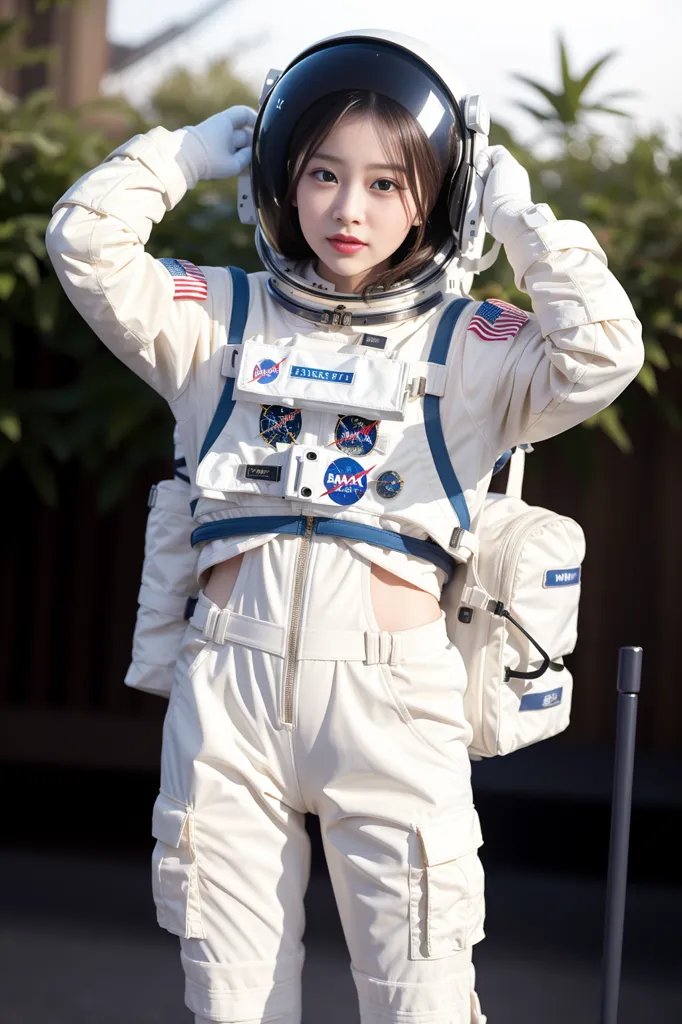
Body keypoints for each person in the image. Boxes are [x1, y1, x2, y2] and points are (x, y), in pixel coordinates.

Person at [45, 28, 643, 1024]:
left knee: (421, 1002)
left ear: (435, 199)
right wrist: (182, 152)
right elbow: (85, 244)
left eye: (386, 183)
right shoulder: (216, 319)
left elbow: (601, 354)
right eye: (323, 173)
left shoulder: (476, 346)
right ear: (283, 179)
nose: (347, 209)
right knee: (229, 1005)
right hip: (227, 697)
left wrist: (518, 214)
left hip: (396, 707)